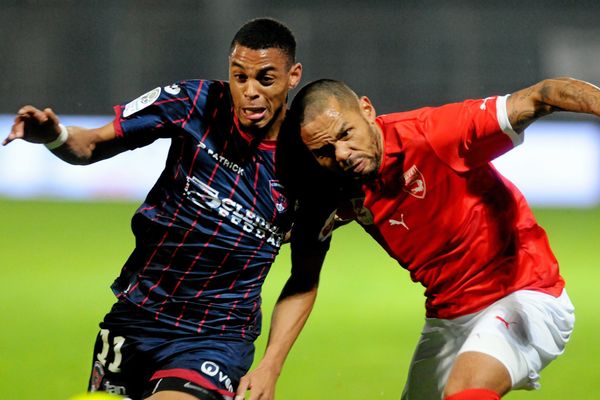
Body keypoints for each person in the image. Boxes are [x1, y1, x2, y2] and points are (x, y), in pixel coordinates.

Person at [236, 77, 600, 400]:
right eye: (325, 151)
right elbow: (302, 277)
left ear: (366, 109)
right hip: (448, 318)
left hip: (526, 294)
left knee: (466, 390)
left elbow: (542, 95)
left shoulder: (435, 134)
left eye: (346, 134)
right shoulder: (334, 187)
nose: (342, 155)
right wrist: (271, 364)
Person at [3, 18, 302, 400]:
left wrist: (271, 365)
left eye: (265, 78)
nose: (250, 92)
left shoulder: (308, 162)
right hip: (137, 315)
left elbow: (305, 274)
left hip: (216, 337)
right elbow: (91, 145)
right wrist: (55, 136)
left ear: (293, 76)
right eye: (239, 77)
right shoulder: (194, 103)